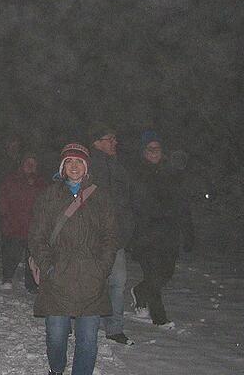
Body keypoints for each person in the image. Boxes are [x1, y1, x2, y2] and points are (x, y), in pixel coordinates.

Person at [28, 143, 117, 375]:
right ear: (62, 166)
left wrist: (102, 267)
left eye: (79, 162)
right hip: (57, 277)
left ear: (86, 167)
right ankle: (56, 370)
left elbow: (109, 236)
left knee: (87, 341)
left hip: (91, 278)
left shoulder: (100, 197)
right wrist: (48, 267)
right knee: (56, 336)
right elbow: (37, 236)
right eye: (69, 161)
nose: (74, 166)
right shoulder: (49, 196)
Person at [129, 131, 195, 329]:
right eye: (150, 149)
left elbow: (182, 204)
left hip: (169, 234)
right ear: (143, 151)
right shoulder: (137, 173)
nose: (154, 152)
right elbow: (136, 204)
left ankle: (140, 292)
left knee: (166, 272)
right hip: (146, 234)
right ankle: (159, 318)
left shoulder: (171, 173)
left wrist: (187, 232)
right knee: (153, 275)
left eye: (157, 148)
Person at [87, 123, 136, 346]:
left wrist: (126, 229)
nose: (115, 142)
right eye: (110, 138)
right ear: (97, 142)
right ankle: (90, 323)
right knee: (97, 280)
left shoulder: (117, 166)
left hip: (116, 236)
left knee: (117, 282)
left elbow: (125, 201)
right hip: (97, 236)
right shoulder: (88, 166)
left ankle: (113, 327)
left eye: (115, 138)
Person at [0, 152, 47, 292]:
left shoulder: (41, 182)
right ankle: (7, 278)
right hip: (14, 225)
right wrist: (6, 217)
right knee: (11, 254)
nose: (30, 166)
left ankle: (32, 284)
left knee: (33, 257)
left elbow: (46, 203)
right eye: (27, 162)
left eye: (33, 163)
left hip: (34, 227)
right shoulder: (12, 179)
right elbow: (3, 199)